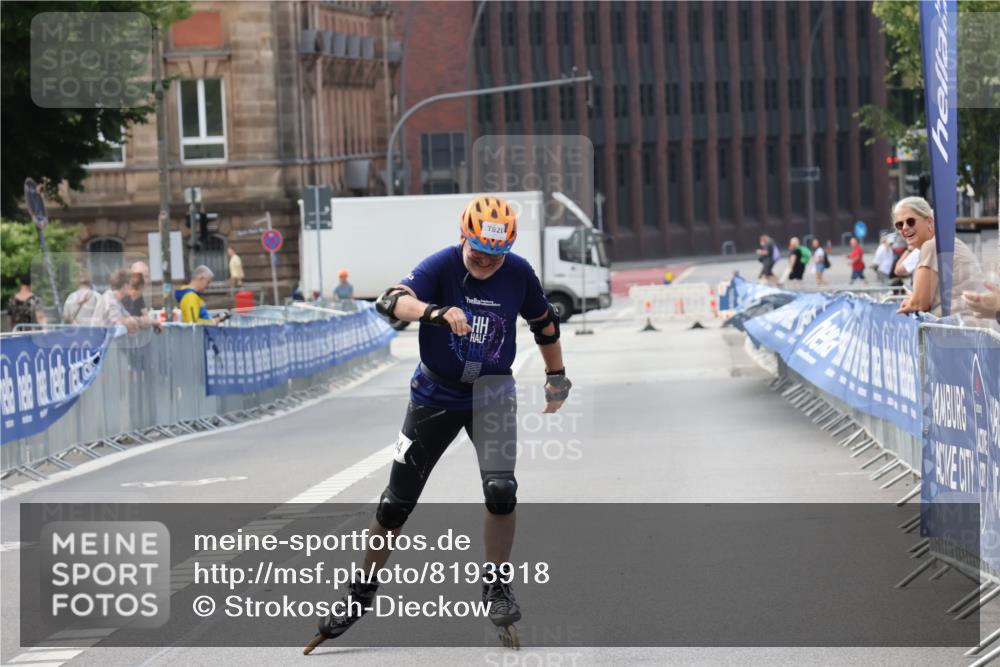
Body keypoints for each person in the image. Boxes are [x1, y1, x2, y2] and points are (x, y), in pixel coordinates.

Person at [307, 195, 571, 654]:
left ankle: (496, 585)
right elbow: (391, 301)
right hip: (434, 396)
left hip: (492, 394)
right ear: (463, 238)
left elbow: (544, 323)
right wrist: (435, 312)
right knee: (395, 504)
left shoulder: (518, 272)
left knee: (501, 490)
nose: (485, 262)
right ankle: (360, 593)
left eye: (495, 256)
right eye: (477, 252)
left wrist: (556, 375)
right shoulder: (442, 265)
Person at [894, 196, 986, 320]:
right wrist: (913, 301)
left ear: (929, 222)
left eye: (910, 221)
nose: (904, 227)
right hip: (970, 323)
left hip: (961, 325)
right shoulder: (942, 243)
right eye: (899, 224)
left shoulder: (932, 245)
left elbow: (920, 304)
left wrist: (911, 302)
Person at [91, 269, 161, 334]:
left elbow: (129, 318)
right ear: (125, 286)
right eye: (131, 285)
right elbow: (118, 323)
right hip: (100, 341)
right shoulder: (110, 300)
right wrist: (133, 322)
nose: (132, 288)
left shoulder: (116, 301)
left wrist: (152, 322)